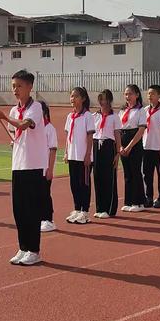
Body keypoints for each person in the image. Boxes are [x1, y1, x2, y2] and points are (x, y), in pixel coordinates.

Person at [0, 70, 49, 266]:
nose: (15, 90)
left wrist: (5, 118)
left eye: (19, 86)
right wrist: (7, 122)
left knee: (31, 210)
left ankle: (34, 250)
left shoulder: (36, 108)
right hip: (18, 164)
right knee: (19, 209)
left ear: (30, 87)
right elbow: (14, 135)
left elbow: (25, 125)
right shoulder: (13, 110)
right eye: (13, 86)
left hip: (33, 165)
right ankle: (23, 247)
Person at [64, 87, 95, 224]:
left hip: (83, 156)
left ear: (83, 99)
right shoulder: (70, 116)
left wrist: (88, 154)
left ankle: (85, 211)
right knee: (74, 184)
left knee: (84, 184)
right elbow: (67, 137)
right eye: (71, 96)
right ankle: (77, 209)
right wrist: (66, 152)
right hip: (72, 155)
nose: (73, 99)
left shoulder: (87, 115)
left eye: (76, 96)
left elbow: (90, 136)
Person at [92, 90, 121, 218]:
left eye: (105, 100)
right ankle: (100, 207)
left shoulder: (114, 117)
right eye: (101, 100)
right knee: (97, 177)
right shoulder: (94, 116)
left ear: (109, 101)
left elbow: (117, 135)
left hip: (109, 146)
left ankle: (109, 208)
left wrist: (118, 153)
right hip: (96, 145)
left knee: (108, 177)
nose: (103, 103)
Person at [119, 84, 147, 212]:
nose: (127, 96)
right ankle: (129, 200)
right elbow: (118, 128)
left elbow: (141, 130)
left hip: (134, 142)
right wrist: (120, 146)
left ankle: (139, 202)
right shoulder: (122, 110)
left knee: (135, 172)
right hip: (123, 139)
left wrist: (130, 146)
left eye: (130, 94)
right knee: (127, 172)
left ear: (136, 95)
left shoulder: (140, 110)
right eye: (126, 94)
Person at [142, 85, 160, 208]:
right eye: (148, 93)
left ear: (159, 95)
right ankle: (148, 196)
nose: (150, 96)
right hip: (146, 146)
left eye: (152, 93)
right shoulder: (145, 110)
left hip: (157, 146)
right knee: (146, 174)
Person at [41, 101, 58, 232]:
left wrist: (50, 169)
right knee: (36, 194)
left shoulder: (49, 128)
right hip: (35, 166)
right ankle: (40, 218)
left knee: (45, 194)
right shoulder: (34, 129)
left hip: (45, 167)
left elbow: (53, 149)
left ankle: (48, 219)